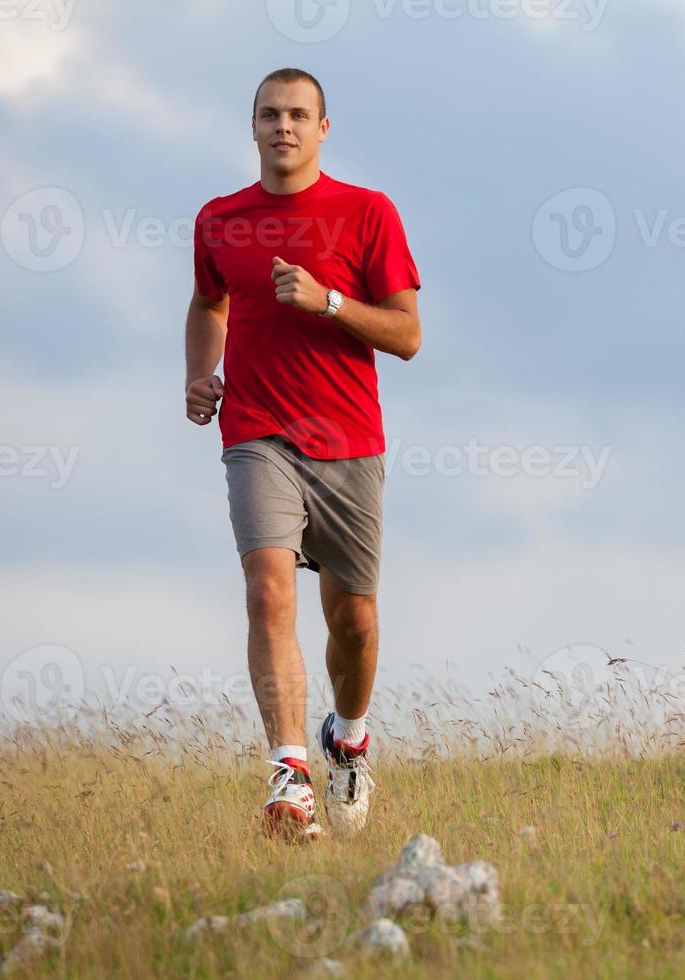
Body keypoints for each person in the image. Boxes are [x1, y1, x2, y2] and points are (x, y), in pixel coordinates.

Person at [183, 67, 422, 841]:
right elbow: (208, 300)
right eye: (269, 115)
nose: (282, 126)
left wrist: (329, 301)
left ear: (324, 128)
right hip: (257, 433)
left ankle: (347, 738)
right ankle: (290, 777)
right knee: (267, 592)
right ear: (251, 127)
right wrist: (199, 372)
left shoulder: (367, 212)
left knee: (353, 620)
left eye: (297, 115)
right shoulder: (220, 220)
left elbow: (409, 336)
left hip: (350, 440)